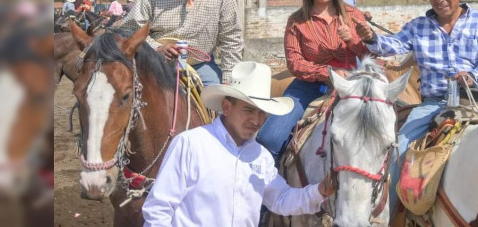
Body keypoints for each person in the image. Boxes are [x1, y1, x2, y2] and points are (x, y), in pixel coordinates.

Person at [354, 0, 478, 217]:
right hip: (434, 103)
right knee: (399, 151)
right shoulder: (418, 26)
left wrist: (473, 77)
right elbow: (392, 44)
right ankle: (390, 217)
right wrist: (370, 36)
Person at [142, 62, 335, 227]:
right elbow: (158, 209)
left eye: (261, 113)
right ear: (226, 107)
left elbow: (281, 199)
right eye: (249, 110)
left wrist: (320, 191)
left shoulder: (261, 156)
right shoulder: (190, 144)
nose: (257, 120)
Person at [257, 0, 370, 165]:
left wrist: (353, 39)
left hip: (354, 83)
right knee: (269, 138)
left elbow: (369, 55)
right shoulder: (297, 21)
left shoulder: (354, 15)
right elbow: (295, 62)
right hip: (308, 86)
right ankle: (269, 192)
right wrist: (327, 73)